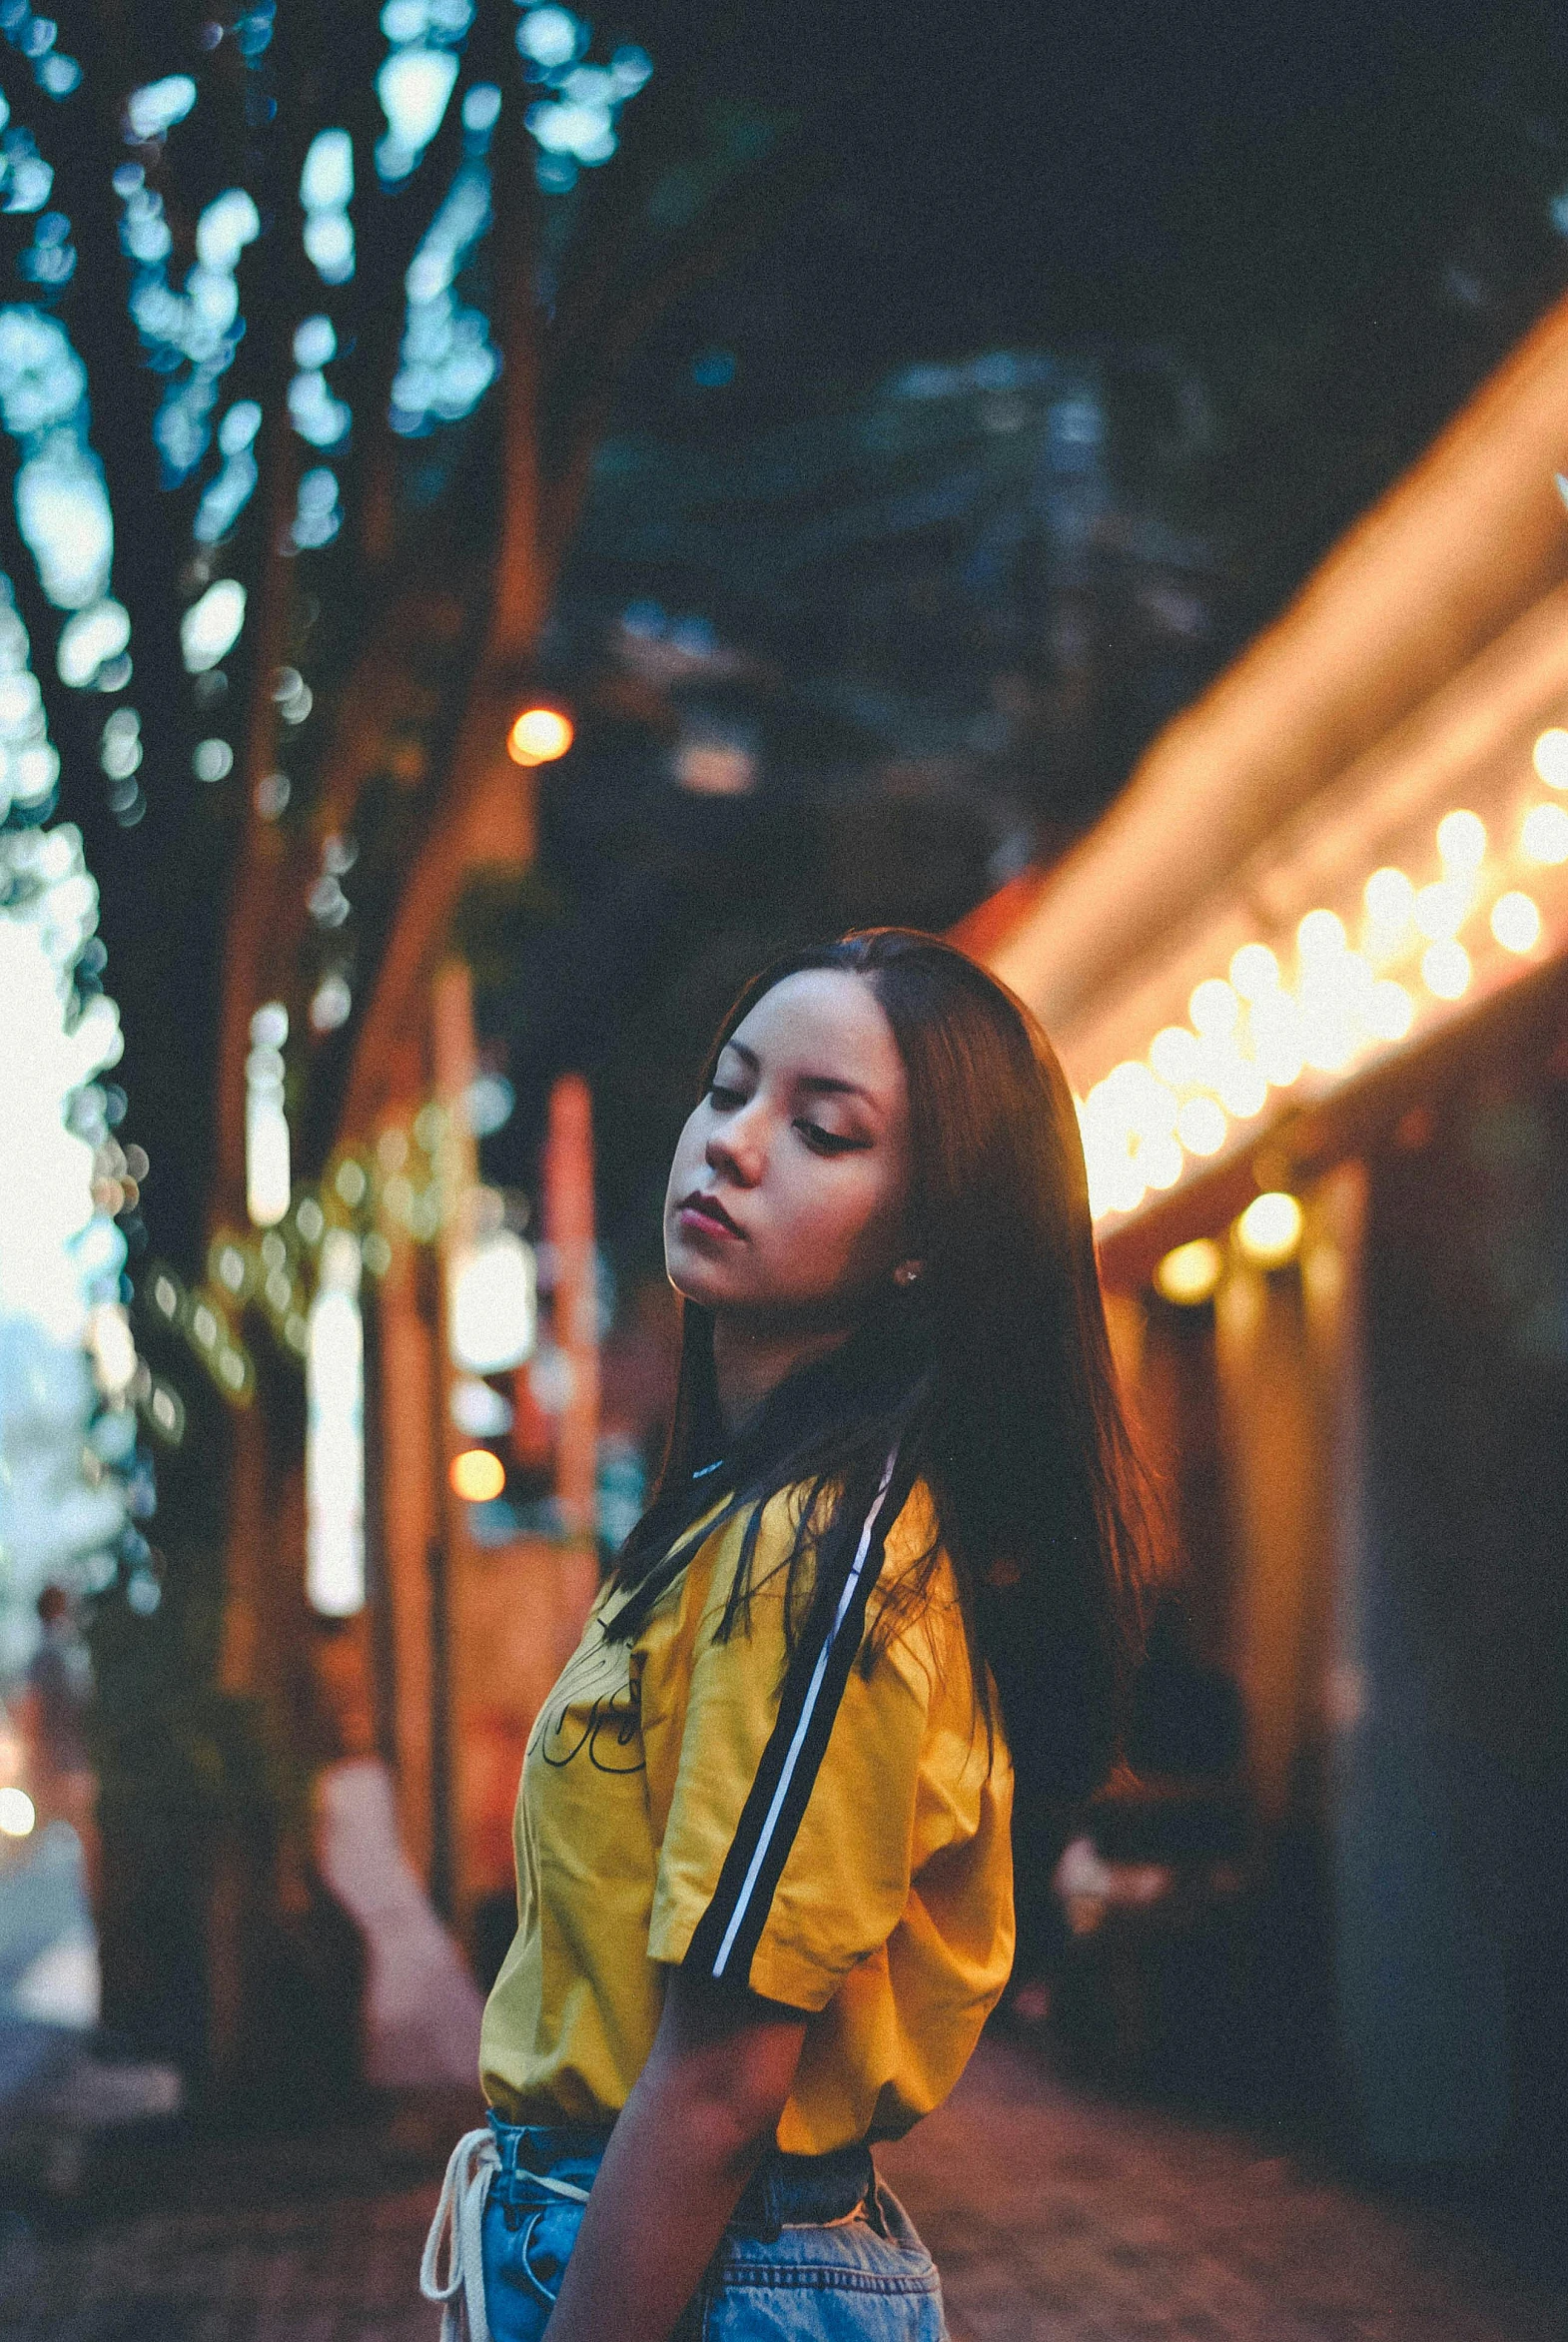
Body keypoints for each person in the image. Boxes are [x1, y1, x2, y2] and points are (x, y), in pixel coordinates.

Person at [422, 928, 1153, 2342]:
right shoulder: (734, 1516)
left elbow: (716, 2085)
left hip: (706, 2267)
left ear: (927, 1244)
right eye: (728, 1088)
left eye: (823, 1130)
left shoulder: (828, 1559)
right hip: (619, 2234)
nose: (735, 1145)